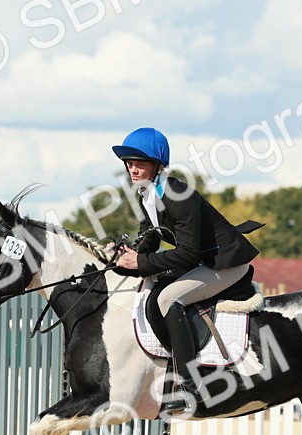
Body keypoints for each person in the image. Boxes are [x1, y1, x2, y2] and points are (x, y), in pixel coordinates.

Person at [111, 127, 260, 413]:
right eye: (129, 162)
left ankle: (189, 385)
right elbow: (151, 237)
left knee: (169, 299)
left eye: (139, 162)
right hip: (202, 261)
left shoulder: (178, 196)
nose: (132, 167)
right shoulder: (149, 195)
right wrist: (127, 256)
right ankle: (170, 368)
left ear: (158, 165)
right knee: (153, 296)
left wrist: (140, 263)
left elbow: (188, 254)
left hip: (226, 264)